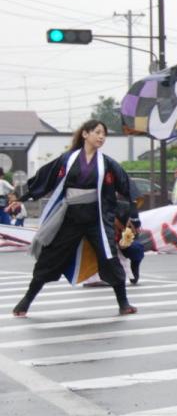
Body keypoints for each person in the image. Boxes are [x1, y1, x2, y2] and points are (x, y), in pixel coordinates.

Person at [7, 120, 140, 317]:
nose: (101, 137)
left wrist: (134, 219)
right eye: (97, 132)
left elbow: (128, 190)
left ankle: (124, 303)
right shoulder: (67, 160)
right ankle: (25, 301)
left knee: (109, 256)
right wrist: (21, 199)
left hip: (97, 218)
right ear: (85, 134)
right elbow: (44, 180)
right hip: (70, 217)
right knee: (50, 256)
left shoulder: (108, 163)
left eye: (104, 134)